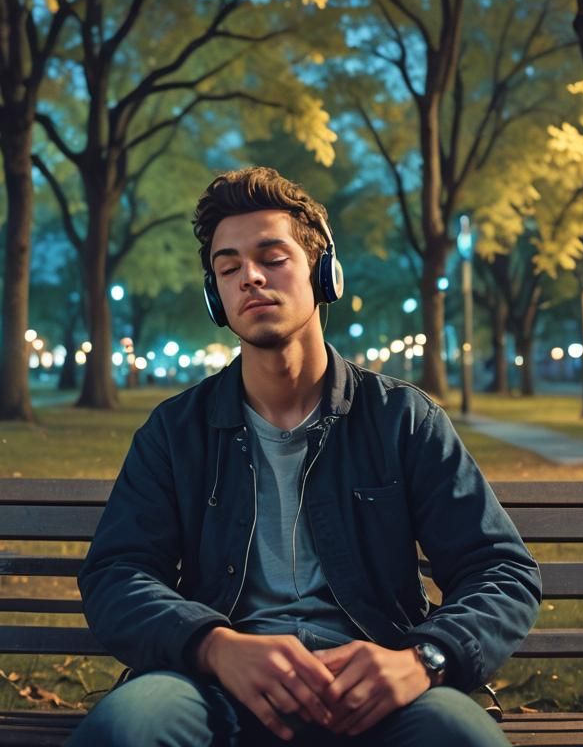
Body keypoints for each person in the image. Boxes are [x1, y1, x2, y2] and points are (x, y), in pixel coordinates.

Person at [71, 167, 541, 746]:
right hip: (213, 686)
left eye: (272, 257)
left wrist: (425, 659)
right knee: (127, 727)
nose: (250, 277)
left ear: (324, 272)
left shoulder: (403, 419)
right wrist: (213, 646)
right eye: (228, 267)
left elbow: (500, 569)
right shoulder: (175, 432)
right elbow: (117, 574)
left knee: (461, 738)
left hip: (376, 689)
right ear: (215, 297)